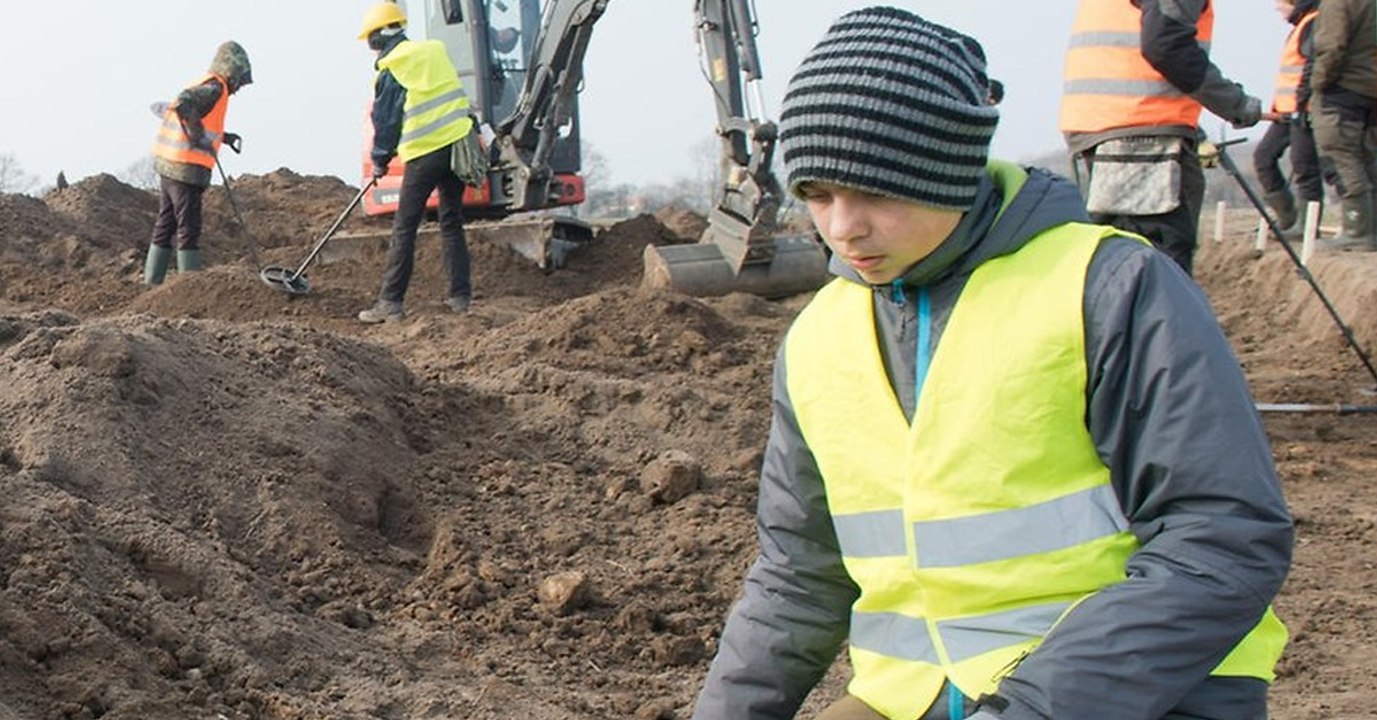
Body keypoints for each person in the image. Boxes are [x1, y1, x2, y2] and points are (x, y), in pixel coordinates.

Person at [693, 7, 1292, 720]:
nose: (841, 227)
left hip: (1137, 696)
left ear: (948, 170)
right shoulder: (820, 336)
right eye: (817, 195)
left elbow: (1221, 539)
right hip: (915, 697)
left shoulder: (1109, 287)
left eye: (875, 192)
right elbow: (796, 579)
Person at [1059, 0, 1266, 276]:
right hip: (1140, 133)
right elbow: (1166, 46)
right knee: (1158, 270)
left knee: (1123, 267)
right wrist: (1235, 103)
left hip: (1111, 127)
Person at [356, 1, 476, 323]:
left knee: (406, 225)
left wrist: (380, 159)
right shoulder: (434, 51)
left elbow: (387, 119)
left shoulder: (394, 65)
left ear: (379, 36)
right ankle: (460, 297)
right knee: (452, 221)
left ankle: (390, 302)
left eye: (371, 39)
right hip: (458, 144)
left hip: (426, 152)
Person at [145, 41, 252, 286]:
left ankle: (152, 283)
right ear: (231, 72)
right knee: (188, 227)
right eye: (239, 80)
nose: (238, 87)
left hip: (169, 165)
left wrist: (223, 138)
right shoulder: (215, 87)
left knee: (167, 221)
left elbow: (197, 116)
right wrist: (197, 137)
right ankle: (189, 287)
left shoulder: (206, 83)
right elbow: (185, 104)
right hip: (185, 169)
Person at [1253, 0, 1325, 238]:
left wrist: (1303, 105)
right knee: (1264, 156)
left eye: (1280, 3)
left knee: (1305, 167)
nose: (1277, 9)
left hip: (1301, 110)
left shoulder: (1312, 24)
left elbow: (1310, 69)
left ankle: (1307, 228)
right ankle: (1288, 219)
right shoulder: (1300, 26)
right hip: (1284, 112)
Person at [1309, 0, 1377, 249]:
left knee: (1341, 156)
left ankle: (1357, 231)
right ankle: (1369, 231)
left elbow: (1332, 46)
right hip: (1370, 90)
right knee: (1367, 158)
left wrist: (1318, 84)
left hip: (1343, 89)